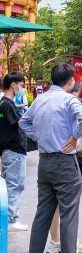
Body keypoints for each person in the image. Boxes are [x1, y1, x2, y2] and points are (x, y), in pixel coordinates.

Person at [19, 63, 82, 253]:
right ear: (70, 80)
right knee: (69, 212)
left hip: (45, 161)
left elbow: (24, 122)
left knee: (43, 212)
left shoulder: (40, 99)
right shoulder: (69, 99)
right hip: (64, 161)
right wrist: (73, 136)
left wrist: (39, 137)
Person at [0, 72, 28, 232]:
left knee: (12, 183)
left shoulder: (6, 103)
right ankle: (11, 219)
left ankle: (9, 218)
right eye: (21, 85)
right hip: (14, 150)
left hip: (10, 150)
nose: (22, 88)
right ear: (13, 85)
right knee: (15, 184)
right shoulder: (6, 104)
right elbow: (18, 125)